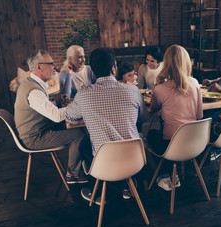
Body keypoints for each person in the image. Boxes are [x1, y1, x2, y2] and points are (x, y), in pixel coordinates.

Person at [65, 47, 149, 202]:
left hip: (105, 164)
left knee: (84, 145)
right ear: (113, 68)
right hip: (135, 160)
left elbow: (69, 116)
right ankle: (127, 185)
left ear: (93, 71)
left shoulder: (83, 95)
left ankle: (96, 192)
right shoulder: (133, 90)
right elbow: (143, 117)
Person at [14, 50, 87, 184]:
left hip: (39, 128)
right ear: (39, 67)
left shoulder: (33, 84)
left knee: (79, 129)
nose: (55, 67)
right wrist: (79, 106)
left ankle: (83, 165)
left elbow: (41, 107)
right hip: (35, 137)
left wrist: (55, 102)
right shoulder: (34, 91)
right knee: (78, 134)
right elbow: (57, 116)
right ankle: (73, 174)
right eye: (51, 64)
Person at [147, 44, 203, 191]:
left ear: (167, 64)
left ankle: (166, 174)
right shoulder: (195, 83)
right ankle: (175, 172)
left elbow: (153, 109)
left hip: (171, 146)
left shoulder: (160, 89)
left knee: (151, 135)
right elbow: (199, 115)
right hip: (195, 143)